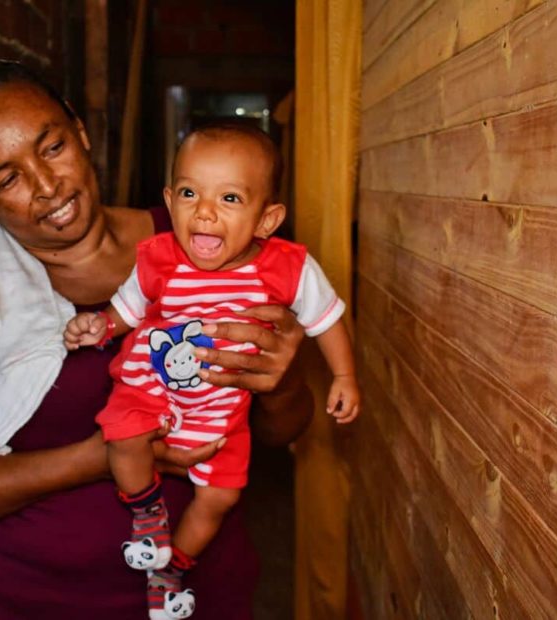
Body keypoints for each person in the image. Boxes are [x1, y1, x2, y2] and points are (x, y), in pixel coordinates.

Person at [0, 60, 314, 620]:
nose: (47, 185)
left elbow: (281, 428)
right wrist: (99, 457)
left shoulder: (203, 233)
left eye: (52, 146)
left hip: (200, 591)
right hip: (26, 600)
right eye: (7, 179)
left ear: (80, 133)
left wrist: (281, 381)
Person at [64, 123, 360, 618]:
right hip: (150, 389)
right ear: (168, 198)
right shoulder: (158, 258)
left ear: (267, 219)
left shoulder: (287, 269)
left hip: (220, 413)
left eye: (229, 197)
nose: (203, 210)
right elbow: (127, 312)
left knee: (221, 498)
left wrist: (345, 377)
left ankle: (170, 571)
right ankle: (147, 516)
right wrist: (98, 325)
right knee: (123, 436)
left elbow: (326, 320)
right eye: (188, 192)